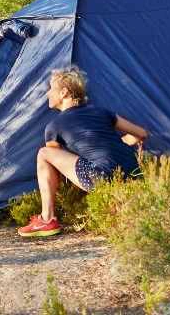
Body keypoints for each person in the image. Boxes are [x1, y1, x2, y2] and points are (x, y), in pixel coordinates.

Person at [17, 66, 149, 238]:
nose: (48, 94)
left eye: (51, 89)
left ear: (64, 92)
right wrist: (118, 143)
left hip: (103, 178)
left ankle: (47, 219)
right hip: (136, 179)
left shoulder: (54, 126)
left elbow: (52, 168)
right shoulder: (103, 112)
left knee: (44, 153)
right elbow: (142, 134)